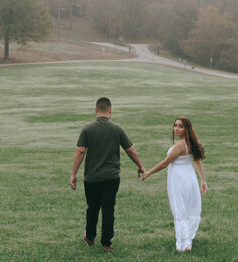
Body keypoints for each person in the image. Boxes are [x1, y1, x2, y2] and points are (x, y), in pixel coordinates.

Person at [70, 97, 145, 252]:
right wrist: (140, 166)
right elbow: (130, 150)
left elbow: (80, 151)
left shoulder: (87, 129)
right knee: (108, 208)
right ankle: (106, 244)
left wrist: (73, 174)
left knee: (92, 208)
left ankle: (90, 237)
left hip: (92, 177)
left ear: (95, 110)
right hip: (111, 177)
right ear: (110, 110)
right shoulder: (117, 129)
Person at [141, 116, 207, 252]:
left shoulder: (180, 145)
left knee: (179, 209)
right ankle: (187, 240)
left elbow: (165, 163)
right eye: (175, 125)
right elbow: (198, 162)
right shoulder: (191, 143)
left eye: (180, 126)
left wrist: (149, 173)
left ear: (186, 129)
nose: (176, 129)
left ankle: (184, 244)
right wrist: (202, 181)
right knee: (186, 209)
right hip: (190, 178)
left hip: (179, 181)